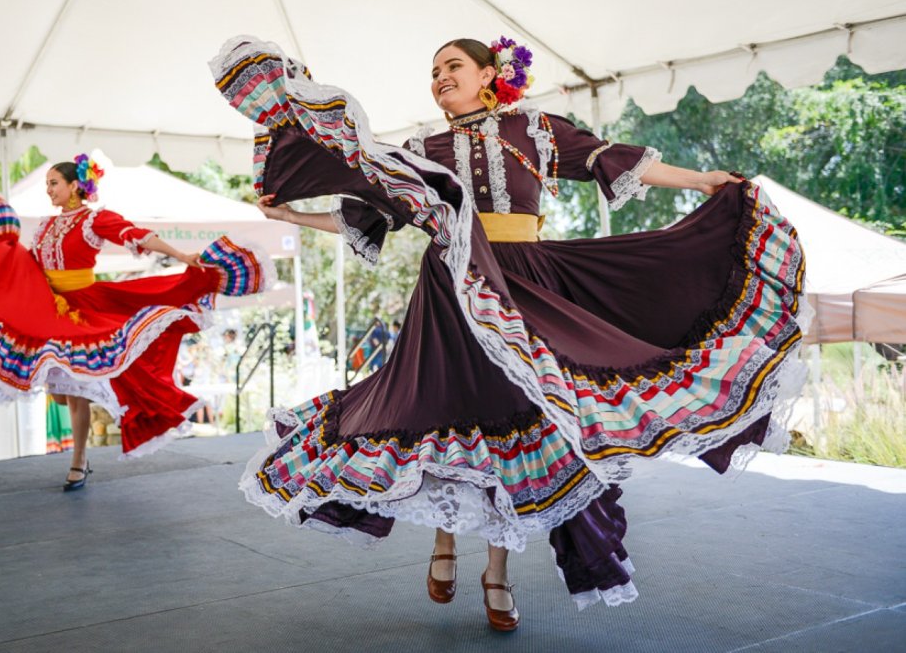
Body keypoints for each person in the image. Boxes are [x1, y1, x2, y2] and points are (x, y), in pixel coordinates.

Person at [212, 36, 806, 631]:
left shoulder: (533, 129)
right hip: (451, 285)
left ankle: (497, 572)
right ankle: (444, 545)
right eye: (434, 71)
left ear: (489, 74)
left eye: (453, 66)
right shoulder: (421, 148)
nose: (440, 77)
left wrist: (702, 179)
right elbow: (373, 214)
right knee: (443, 408)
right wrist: (291, 214)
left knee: (513, 416)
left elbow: (611, 158)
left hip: (524, 279)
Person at [0, 153, 272, 490]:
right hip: (47, 305)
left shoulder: (94, 220)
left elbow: (136, 235)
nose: (48, 190)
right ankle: (77, 456)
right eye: (48, 184)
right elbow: (34, 264)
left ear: (74, 186)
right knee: (59, 385)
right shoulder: (48, 225)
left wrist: (180, 255)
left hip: (85, 306)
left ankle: (78, 458)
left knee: (79, 390)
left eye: (54, 183)